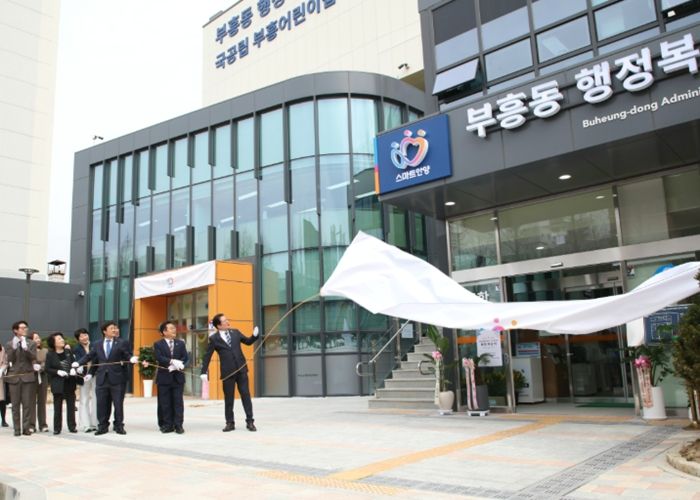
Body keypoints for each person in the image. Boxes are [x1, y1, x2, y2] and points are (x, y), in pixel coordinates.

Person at [73, 321, 138, 435]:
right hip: (102, 378)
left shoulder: (121, 343)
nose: (114, 330)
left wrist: (132, 359)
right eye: (111, 328)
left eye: (115, 328)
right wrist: (78, 363)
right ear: (104, 331)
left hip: (117, 378)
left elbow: (127, 355)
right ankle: (102, 426)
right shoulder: (97, 344)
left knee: (118, 404)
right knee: (102, 404)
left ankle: (119, 426)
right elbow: (90, 356)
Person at [200, 313, 259, 432]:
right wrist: (203, 371)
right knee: (229, 399)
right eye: (224, 321)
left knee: (246, 396)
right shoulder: (214, 339)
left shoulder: (235, 332)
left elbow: (248, 342)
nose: (228, 322)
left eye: (227, 320)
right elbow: (207, 356)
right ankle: (230, 423)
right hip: (228, 373)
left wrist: (254, 336)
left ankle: (250, 421)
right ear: (218, 325)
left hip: (241, 370)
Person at [154, 321, 189, 434]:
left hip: (178, 377)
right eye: (171, 328)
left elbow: (185, 357)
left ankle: (178, 425)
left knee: (178, 402)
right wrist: (171, 362)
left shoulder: (180, 343)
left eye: (174, 328)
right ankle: (167, 425)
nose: (174, 330)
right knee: (165, 403)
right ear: (164, 332)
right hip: (164, 378)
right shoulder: (158, 344)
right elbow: (159, 357)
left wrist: (181, 365)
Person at [5, 320, 38, 436]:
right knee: (15, 405)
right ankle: (17, 429)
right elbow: (9, 359)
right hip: (14, 377)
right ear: (15, 330)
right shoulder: (9, 343)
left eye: (26, 328)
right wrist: (14, 348)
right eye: (22, 328)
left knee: (27, 404)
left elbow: (33, 357)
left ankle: (26, 428)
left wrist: (26, 348)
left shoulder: (31, 343)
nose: (25, 330)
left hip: (27, 376)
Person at [45, 332, 78, 434]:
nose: (62, 340)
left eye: (62, 338)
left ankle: (72, 426)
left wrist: (74, 369)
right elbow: (47, 369)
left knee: (71, 406)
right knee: (58, 407)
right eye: (59, 339)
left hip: (70, 382)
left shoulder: (68, 351)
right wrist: (57, 372)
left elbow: (74, 363)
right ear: (53, 343)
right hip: (58, 383)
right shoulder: (50, 354)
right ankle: (57, 428)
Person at [73, 328, 97, 432]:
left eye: (85, 335)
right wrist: (78, 367)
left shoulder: (95, 345)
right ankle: (86, 424)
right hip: (83, 376)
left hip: (95, 374)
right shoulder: (76, 349)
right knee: (84, 399)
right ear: (78, 339)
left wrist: (91, 372)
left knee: (96, 398)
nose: (84, 338)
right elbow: (77, 360)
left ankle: (95, 423)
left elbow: (96, 359)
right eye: (81, 336)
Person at [32, 332, 49, 433]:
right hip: (31, 378)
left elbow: (47, 362)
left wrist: (41, 367)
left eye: (38, 338)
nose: (38, 340)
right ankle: (31, 424)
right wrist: (34, 366)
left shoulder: (45, 351)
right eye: (35, 338)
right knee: (31, 402)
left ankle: (43, 424)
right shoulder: (29, 351)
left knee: (42, 402)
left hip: (43, 377)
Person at [0, 343, 8, 427]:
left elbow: (5, 362)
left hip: (0, 377)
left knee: (2, 400)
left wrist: (1, 370)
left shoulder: (2, 349)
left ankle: (3, 420)